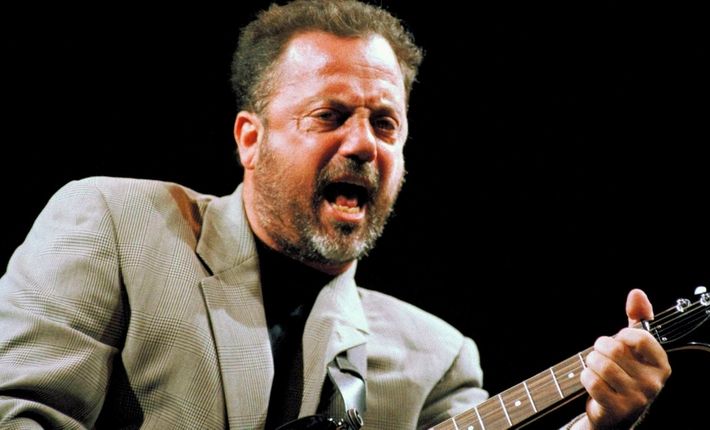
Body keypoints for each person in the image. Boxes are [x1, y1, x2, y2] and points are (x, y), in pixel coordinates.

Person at [0, 0, 670, 428]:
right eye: (330, 115)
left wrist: (595, 424)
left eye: (385, 123)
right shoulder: (115, 228)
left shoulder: (435, 359)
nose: (362, 144)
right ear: (250, 139)